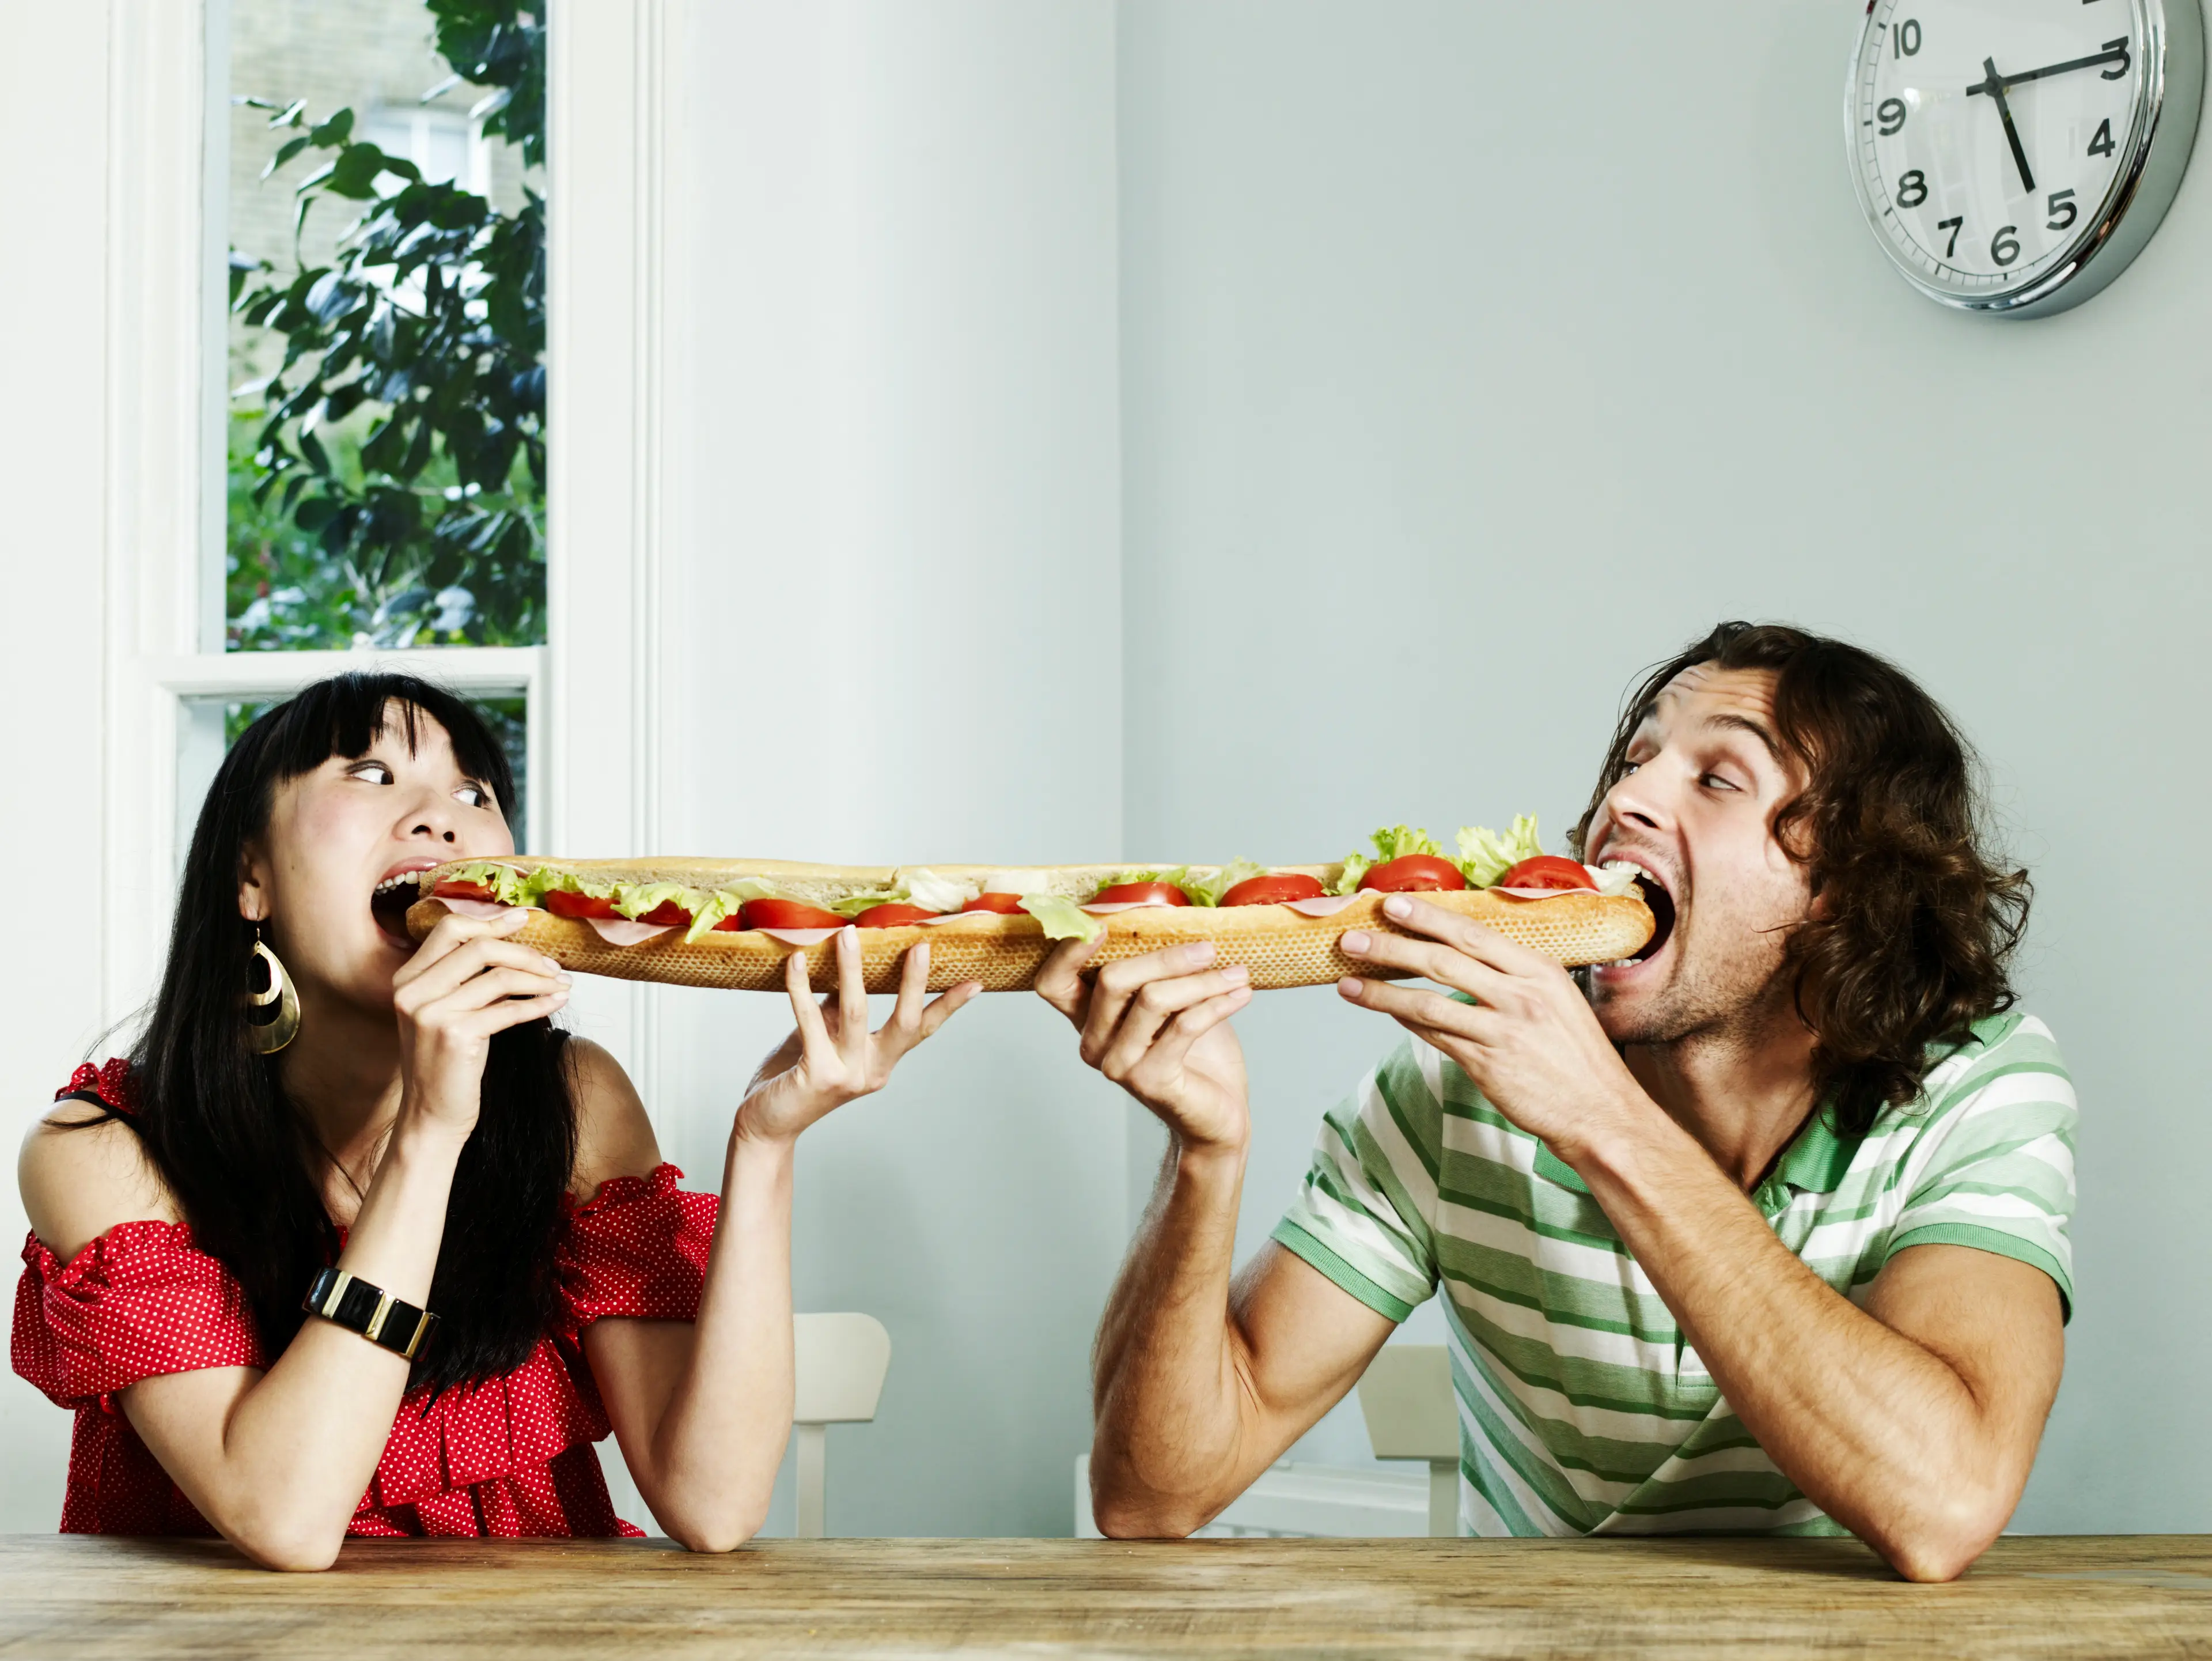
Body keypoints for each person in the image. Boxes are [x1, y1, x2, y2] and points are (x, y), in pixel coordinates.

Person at [1043, 622, 2073, 1582]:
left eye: (1717, 776)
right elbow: (1147, 1495)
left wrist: (1604, 1123)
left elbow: (1944, 1504)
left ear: (1844, 889)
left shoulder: (1975, 1087)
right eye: (1635, 761)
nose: (1625, 801)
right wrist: (1203, 1155)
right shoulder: (1456, 1087)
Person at [13, 672, 977, 1568]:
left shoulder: (574, 1100)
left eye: (476, 794)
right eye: (373, 772)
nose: (442, 814)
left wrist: (767, 1139)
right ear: (249, 877)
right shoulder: (105, 1151)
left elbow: (714, 1504)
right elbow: (288, 1518)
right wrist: (432, 1131)